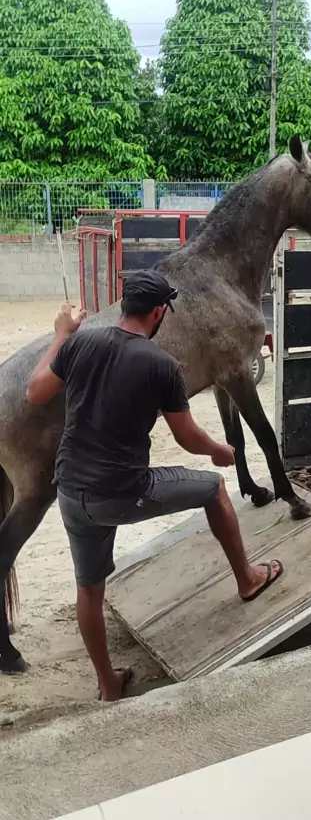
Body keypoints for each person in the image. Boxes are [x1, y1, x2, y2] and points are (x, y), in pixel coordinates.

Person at [26, 270, 283, 701]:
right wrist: (219, 451)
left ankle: (108, 684)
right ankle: (248, 579)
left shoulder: (80, 343)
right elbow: (186, 436)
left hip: (69, 491)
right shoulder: (161, 364)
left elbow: (35, 391)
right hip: (124, 491)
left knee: (88, 589)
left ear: (125, 304)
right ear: (160, 312)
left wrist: (62, 333)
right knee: (214, 488)